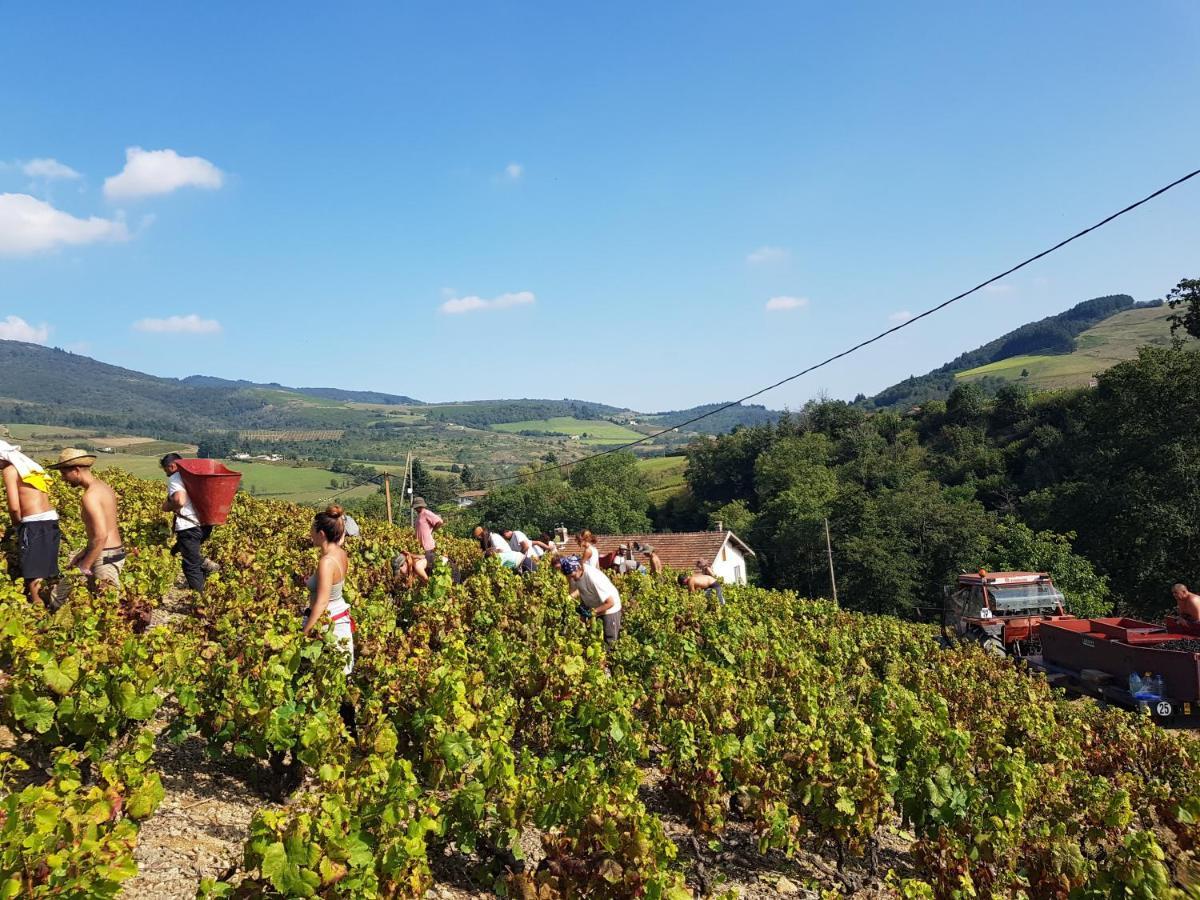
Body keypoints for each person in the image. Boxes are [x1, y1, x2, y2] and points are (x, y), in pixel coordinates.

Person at [305, 505, 356, 737]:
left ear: (322, 534)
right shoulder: (340, 553)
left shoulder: (326, 562)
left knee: (327, 683)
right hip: (341, 622)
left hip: (329, 627)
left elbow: (322, 602)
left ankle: (341, 735)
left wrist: (305, 631)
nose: (310, 534)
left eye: (312, 530)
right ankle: (348, 735)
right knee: (340, 681)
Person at [47, 449, 124, 603]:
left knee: (106, 606)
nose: (63, 479)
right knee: (99, 603)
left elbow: (101, 535)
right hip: (112, 553)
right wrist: (83, 553)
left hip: (104, 556)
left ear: (76, 471)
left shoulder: (90, 496)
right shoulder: (103, 487)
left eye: (64, 474)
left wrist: (84, 567)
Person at [0, 439, 60, 604]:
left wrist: (17, 526)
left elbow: (14, 507)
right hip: (51, 519)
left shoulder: (10, 470)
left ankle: (38, 609)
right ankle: (52, 606)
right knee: (48, 569)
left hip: (33, 523)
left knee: (33, 571)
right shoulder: (29, 467)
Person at [160, 453, 218, 593]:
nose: (166, 473)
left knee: (190, 565)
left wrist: (167, 506)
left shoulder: (176, 477)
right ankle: (204, 571)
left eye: (165, 469)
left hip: (189, 526)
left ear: (172, 465)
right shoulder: (192, 474)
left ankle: (200, 600)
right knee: (184, 550)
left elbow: (179, 500)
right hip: (205, 524)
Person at [559, 555, 622, 647]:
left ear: (579, 568)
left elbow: (610, 602)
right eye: (569, 577)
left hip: (610, 610)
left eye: (572, 576)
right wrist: (583, 610)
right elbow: (584, 592)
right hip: (597, 607)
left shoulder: (593, 577)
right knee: (595, 640)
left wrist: (592, 612)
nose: (572, 579)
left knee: (609, 642)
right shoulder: (577, 576)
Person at [413, 497, 443, 571]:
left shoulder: (426, 512)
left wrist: (432, 530)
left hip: (428, 546)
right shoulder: (419, 515)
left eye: (416, 507)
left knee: (429, 567)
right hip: (420, 547)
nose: (415, 509)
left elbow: (440, 521)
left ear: (419, 506)